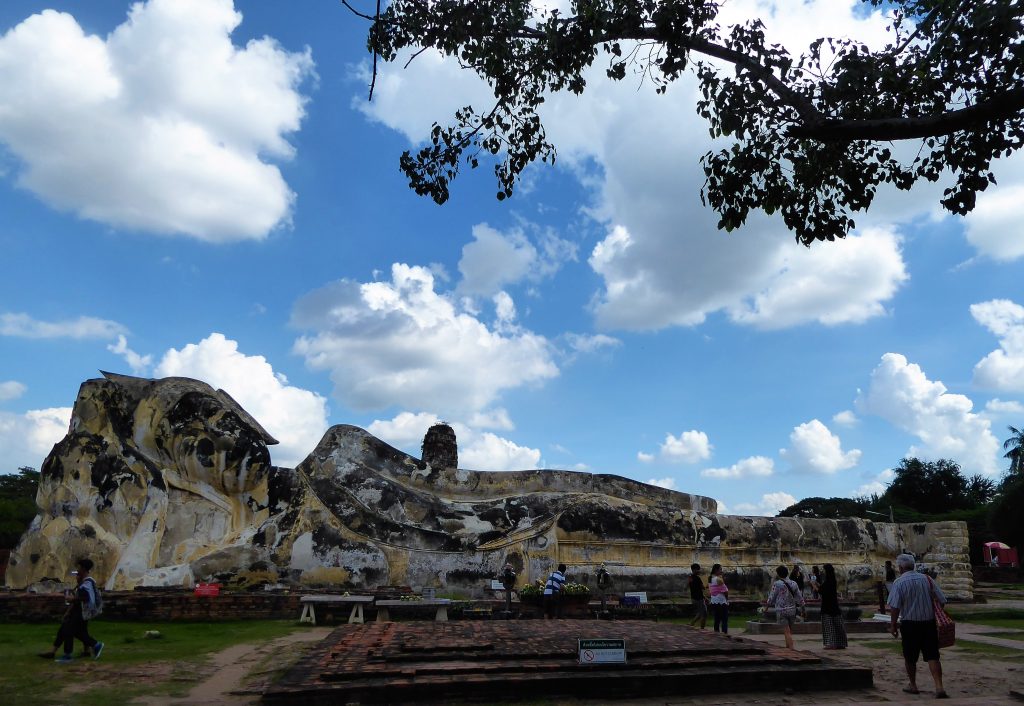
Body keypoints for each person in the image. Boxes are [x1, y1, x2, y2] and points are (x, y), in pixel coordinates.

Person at [887, 553, 948, 698]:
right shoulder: (927, 579)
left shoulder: (899, 583)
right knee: (933, 655)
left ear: (901, 567)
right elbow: (942, 600)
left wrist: (893, 625)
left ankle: (913, 685)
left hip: (909, 624)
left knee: (910, 657)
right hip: (928, 623)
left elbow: (894, 607)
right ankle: (939, 686)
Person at [39, 558, 104, 663]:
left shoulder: (87, 583)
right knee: (74, 631)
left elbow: (87, 598)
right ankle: (93, 646)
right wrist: (68, 611)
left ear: (83, 568)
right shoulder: (84, 582)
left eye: (79, 568)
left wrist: (72, 599)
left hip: (81, 612)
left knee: (69, 630)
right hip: (77, 610)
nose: (77, 571)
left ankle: (68, 654)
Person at [765, 565, 804, 650]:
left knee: (786, 630)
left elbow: (772, 597)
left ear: (778, 574)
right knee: (789, 630)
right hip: (792, 610)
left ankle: (791, 648)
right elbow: (800, 597)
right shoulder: (794, 583)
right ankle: (788, 647)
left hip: (781, 610)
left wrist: (767, 607)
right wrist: (803, 608)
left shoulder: (777, 584)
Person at [819, 563, 847, 650]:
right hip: (834, 606)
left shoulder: (827, 582)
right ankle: (840, 643)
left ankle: (831, 644)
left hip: (827, 606)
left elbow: (822, 592)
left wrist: (814, 586)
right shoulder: (833, 581)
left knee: (829, 626)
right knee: (838, 625)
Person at [708, 563, 729, 634]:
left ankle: (716, 633)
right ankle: (724, 633)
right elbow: (725, 591)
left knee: (716, 619)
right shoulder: (719, 579)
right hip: (721, 601)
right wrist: (727, 599)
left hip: (714, 600)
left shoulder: (710, 578)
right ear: (716, 570)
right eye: (720, 569)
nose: (721, 571)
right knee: (724, 619)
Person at [687, 563, 708, 629]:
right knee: (704, 614)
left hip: (694, 598)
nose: (699, 571)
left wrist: (705, 597)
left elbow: (696, 589)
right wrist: (706, 584)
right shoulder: (697, 578)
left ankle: (691, 623)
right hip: (699, 598)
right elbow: (703, 588)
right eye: (698, 569)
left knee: (700, 612)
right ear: (694, 569)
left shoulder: (690, 577)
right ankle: (702, 628)